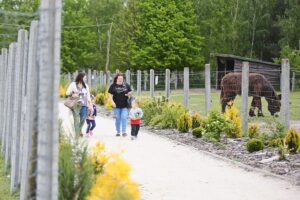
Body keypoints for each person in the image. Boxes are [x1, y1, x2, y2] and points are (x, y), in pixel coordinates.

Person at [66, 72, 91, 136]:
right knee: (76, 120)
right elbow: (67, 93)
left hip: (84, 105)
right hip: (76, 105)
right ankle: (77, 133)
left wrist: (90, 104)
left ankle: (79, 130)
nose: (85, 79)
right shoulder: (73, 84)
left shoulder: (86, 85)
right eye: (85, 78)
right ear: (81, 78)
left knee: (83, 119)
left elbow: (88, 96)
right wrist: (72, 93)